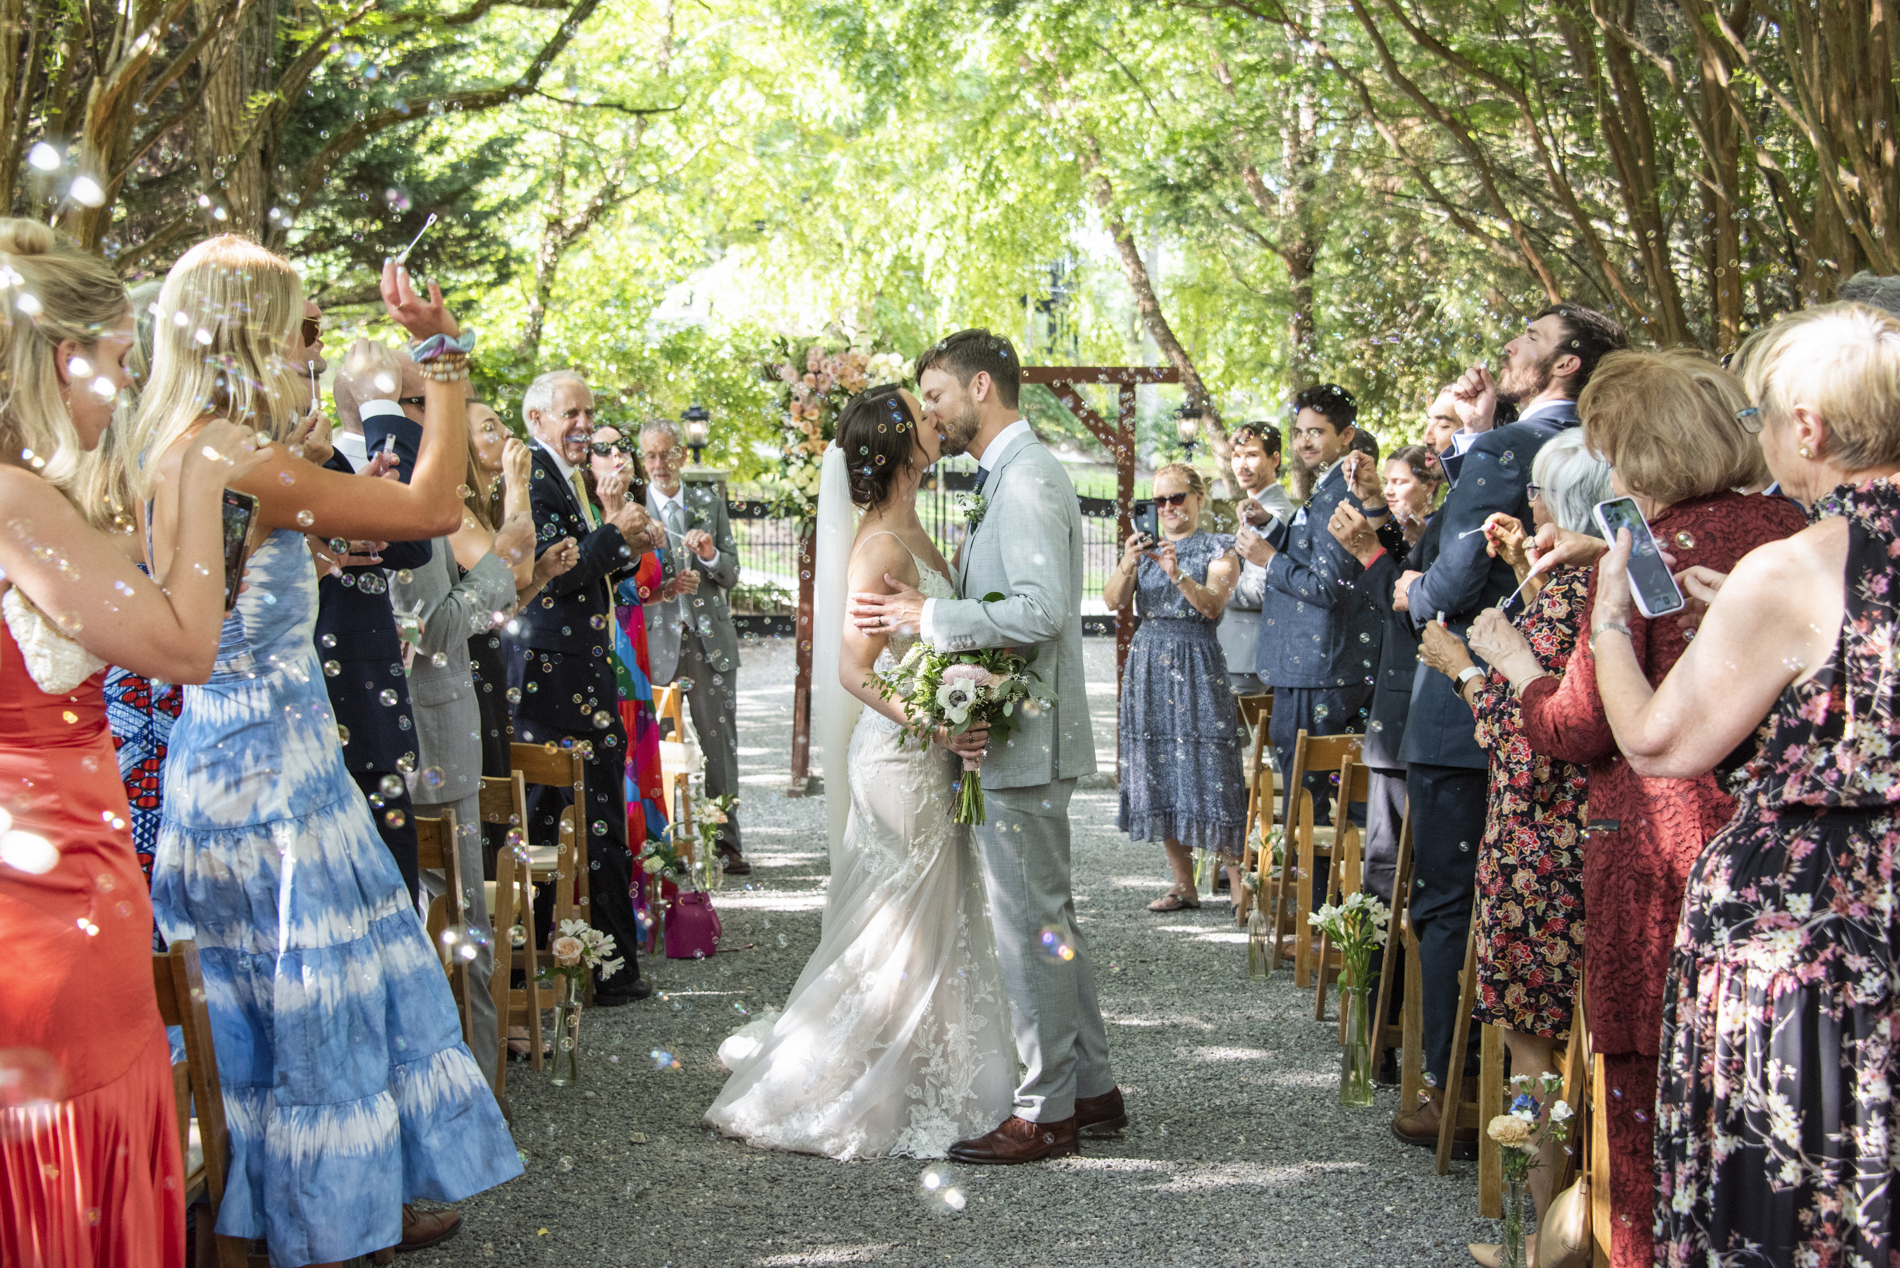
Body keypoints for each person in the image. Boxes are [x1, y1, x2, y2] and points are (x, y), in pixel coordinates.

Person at [137, 242, 520, 1266]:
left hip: (210, 772)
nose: (309, 346)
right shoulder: (237, 455)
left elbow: (200, 598)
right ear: (251, 329)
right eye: (299, 326)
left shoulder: (173, 445)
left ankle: (269, 1212)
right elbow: (434, 511)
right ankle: (328, 1218)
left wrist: (297, 550)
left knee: (249, 1011)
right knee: (317, 1004)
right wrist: (441, 356)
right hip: (282, 782)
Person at [1466, 349, 1806, 1268]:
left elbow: (1580, 726)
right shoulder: (1800, 532)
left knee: (1652, 1112)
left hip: (1661, 851)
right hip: (1783, 857)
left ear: (1643, 453)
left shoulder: (1645, 556)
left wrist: (1511, 672)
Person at [1578, 305, 1900, 1268]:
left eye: (1763, 413)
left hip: (1811, 915)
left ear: (1810, 427)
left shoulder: (1798, 568)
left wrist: (1605, 622)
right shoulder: (1781, 570)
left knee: (1797, 1175)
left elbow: (1657, 741)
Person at [0, 220, 268, 1268]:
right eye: (116, 359)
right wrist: (197, 476)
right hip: (54, 894)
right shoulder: (16, 497)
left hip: (53, 866)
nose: (125, 385)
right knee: (77, 1160)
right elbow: (181, 643)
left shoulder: (34, 494)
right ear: (60, 356)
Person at [707, 385, 1014, 1158]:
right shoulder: (880, 544)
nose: (934, 420)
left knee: (936, 913)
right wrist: (939, 723)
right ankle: (852, 1083)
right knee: (899, 922)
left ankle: (934, 1067)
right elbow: (853, 670)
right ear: (897, 440)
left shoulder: (915, 522)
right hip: (898, 760)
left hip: (930, 752)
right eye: (921, 414)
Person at [849, 329, 1120, 1166]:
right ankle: (1094, 1088)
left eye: (934, 395)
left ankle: (1047, 1111)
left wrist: (925, 618)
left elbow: (1041, 610)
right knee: (1050, 920)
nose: (928, 412)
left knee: (1028, 925)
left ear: (978, 387)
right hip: (1015, 737)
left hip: (1026, 741)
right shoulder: (1005, 476)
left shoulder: (1029, 477)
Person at [1390, 302, 1626, 1153]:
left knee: (1450, 906)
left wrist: (1411, 589)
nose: (1509, 346)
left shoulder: (1512, 451)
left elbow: (1452, 579)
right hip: (1563, 754)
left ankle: (1452, 1098)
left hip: (1485, 719)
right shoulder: (1567, 445)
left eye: (1528, 338)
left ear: (1567, 364)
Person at [1416, 428, 1610, 1261]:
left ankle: (1542, 1240)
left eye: (1535, 492)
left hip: (1541, 838)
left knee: (1536, 1045)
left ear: (1556, 503)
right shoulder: (1603, 581)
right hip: (1579, 836)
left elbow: (1533, 737)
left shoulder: (1568, 597)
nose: (1525, 503)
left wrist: (1462, 667)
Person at [359, 360, 540, 1098]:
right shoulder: (393, 487)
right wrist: (501, 561)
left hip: (421, 733)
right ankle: (471, 1092)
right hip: (427, 739)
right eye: (430, 398)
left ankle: (472, 1082)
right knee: (457, 915)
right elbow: (435, 626)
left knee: (455, 917)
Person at [511, 369, 651, 1002]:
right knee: (565, 824)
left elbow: (593, 571)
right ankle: (564, 969)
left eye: (588, 413)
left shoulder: (567, 478)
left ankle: (602, 966)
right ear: (537, 419)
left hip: (578, 676)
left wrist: (619, 535)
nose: (584, 425)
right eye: (571, 413)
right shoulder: (535, 479)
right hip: (553, 682)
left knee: (593, 822)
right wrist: (615, 529)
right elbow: (557, 574)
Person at [317, 339, 434, 902]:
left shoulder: (342, 469)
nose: (427, 420)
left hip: (364, 715)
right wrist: (382, 408)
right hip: (337, 711)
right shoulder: (316, 462)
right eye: (417, 402)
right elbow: (415, 535)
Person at [1235, 383, 1380, 830]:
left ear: (1346, 435)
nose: (1304, 442)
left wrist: (1268, 560)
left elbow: (1327, 586)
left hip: (1318, 672)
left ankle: (1317, 899)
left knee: (1310, 803)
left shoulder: (1342, 491)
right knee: (1324, 797)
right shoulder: (1330, 485)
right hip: (1318, 666)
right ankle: (1330, 896)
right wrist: (1275, 530)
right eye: (1299, 432)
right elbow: (1315, 551)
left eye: (1317, 432)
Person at [1104, 463, 1244, 911]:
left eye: (1177, 497)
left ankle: (1242, 888)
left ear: (1199, 498)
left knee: (1213, 768)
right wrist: (1130, 561)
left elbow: (1211, 606)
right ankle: (1183, 884)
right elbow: (1112, 601)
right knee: (1158, 765)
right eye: (1157, 501)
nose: (1167, 508)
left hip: (1197, 659)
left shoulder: (1220, 548)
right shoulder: (1143, 548)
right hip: (1149, 659)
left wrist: (1176, 571)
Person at [1328, 443, 1440, 916]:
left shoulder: (1455, 527)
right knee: (1382, 863)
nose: (1435, 440)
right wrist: (1373, 503)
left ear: (1433, 483)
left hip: (1428, 705)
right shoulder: (1414, 528)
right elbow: (1398, 558)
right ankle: (1378, 986)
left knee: (1419, 869)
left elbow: (1410, 608)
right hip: (1396, 708)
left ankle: (1406, 987)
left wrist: (1368, 552)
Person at [641, 418, 750, 875]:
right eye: (650, 456)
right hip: (657, 645)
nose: (659, 464)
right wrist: (662, 584)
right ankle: (670, 845)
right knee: (662, 751)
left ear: (682, 455)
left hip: (710, 646)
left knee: (718, 745)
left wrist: (708, 556)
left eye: (667, 453)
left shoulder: (708, 501)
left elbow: (731, 572)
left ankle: (725, 842)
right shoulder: (634, 510)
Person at [591, 425, 672, 846]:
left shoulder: (642, 513)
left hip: (635, 645)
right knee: (614, 748)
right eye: (602, 448)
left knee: (638, 742)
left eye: (621, 446)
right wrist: (608, 516)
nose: (616, 454)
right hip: (606, 642)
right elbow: (593, 580)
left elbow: (635, 592)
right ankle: (623, 852)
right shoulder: (587, 513)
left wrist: (664, 591)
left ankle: (649, 858)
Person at [1220, 423, 1294, 696]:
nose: (1241, 464)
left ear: (1274, 459)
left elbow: (1260, 592)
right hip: (1245, 651)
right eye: (1236, 456)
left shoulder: (1273, 514)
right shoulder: (1257, 509)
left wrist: (1212, 589)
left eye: (1251, 455)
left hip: (1247, 654)